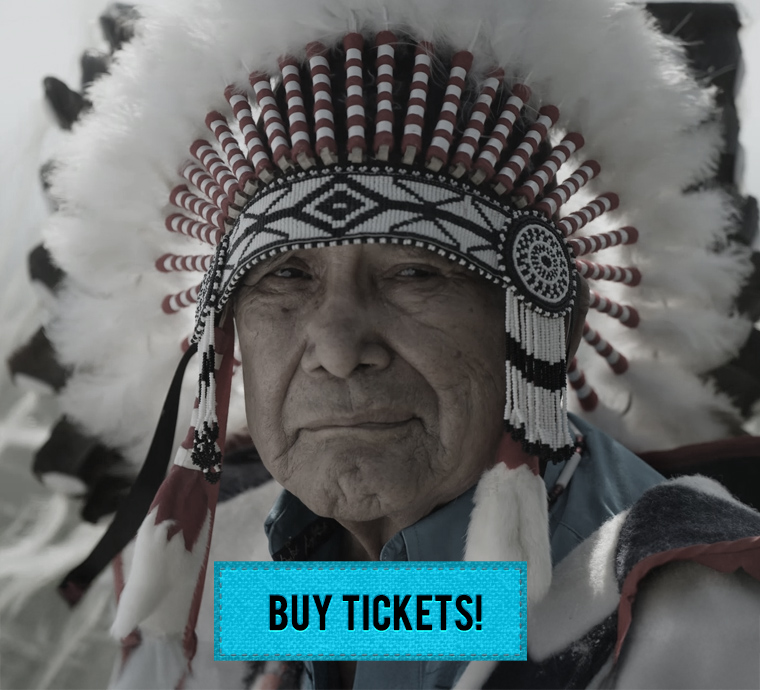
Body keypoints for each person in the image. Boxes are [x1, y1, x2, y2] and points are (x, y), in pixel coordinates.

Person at [35, 0, 760, 688]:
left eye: (417, 272)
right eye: (285, 276)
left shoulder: (692, 622)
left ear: (543, 320)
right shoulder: (219, 589)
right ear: (227, 338)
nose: (339, 347)